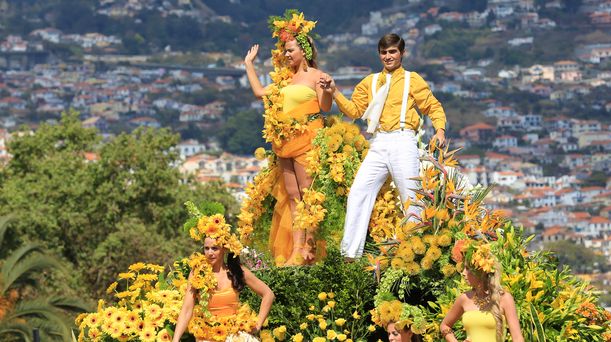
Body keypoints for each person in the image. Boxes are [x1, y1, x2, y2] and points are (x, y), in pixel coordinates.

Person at [323, 33, 447, 259]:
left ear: (402, 53)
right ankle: (350, 254)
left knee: (411, 196)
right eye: (384, 52)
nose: (388, 56)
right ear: (379, 54)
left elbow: (432, 106)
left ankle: (416, 251)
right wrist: (334, 91)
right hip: (379, 141)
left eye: (392, 52)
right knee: (359, 192)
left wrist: (440, 130)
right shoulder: (369, 82)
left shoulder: (412, 79)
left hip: (403, 139)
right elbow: (354, 111)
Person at [243, 11, 333, 265]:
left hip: (307, 139)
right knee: (293, 195)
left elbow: (325, 106)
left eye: (291, 49)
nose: (286, 54)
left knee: (308, 194)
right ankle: (296, 248)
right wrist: (249, 65)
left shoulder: (316, 75)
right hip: (284, 143)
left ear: (304, 50)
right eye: (284, 51)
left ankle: (310, 248)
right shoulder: (284, 78)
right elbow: (260, 92)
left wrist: (327, 91)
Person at [172, 237, 275, 342]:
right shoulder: (197, 273)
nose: (210, 253)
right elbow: (186, 309)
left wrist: (257, 326)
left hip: (235, 336)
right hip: (208, 336)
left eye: (214, 248)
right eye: (206, 248)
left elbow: (268, 294)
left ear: (224, 249)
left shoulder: (237, 271)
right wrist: (175, 340)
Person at [439, 260, 523, 342]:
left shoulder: (504, 298)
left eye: (468, 268)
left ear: (481, 271)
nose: (463, 273)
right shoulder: (464, 298)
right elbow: (445, 325)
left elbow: (518, 338)